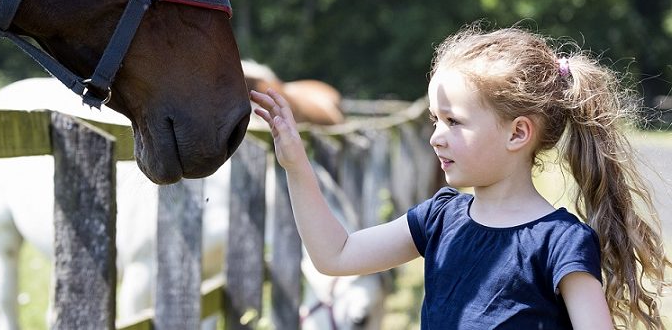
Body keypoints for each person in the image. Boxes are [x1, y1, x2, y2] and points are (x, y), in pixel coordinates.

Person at [252, 24, 669, 329]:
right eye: (435, 120)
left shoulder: (560, 243)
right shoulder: (439, 219)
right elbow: (335, 255)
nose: (436, 137)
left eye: (453, 121)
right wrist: (295, 164)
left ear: (518, 132)